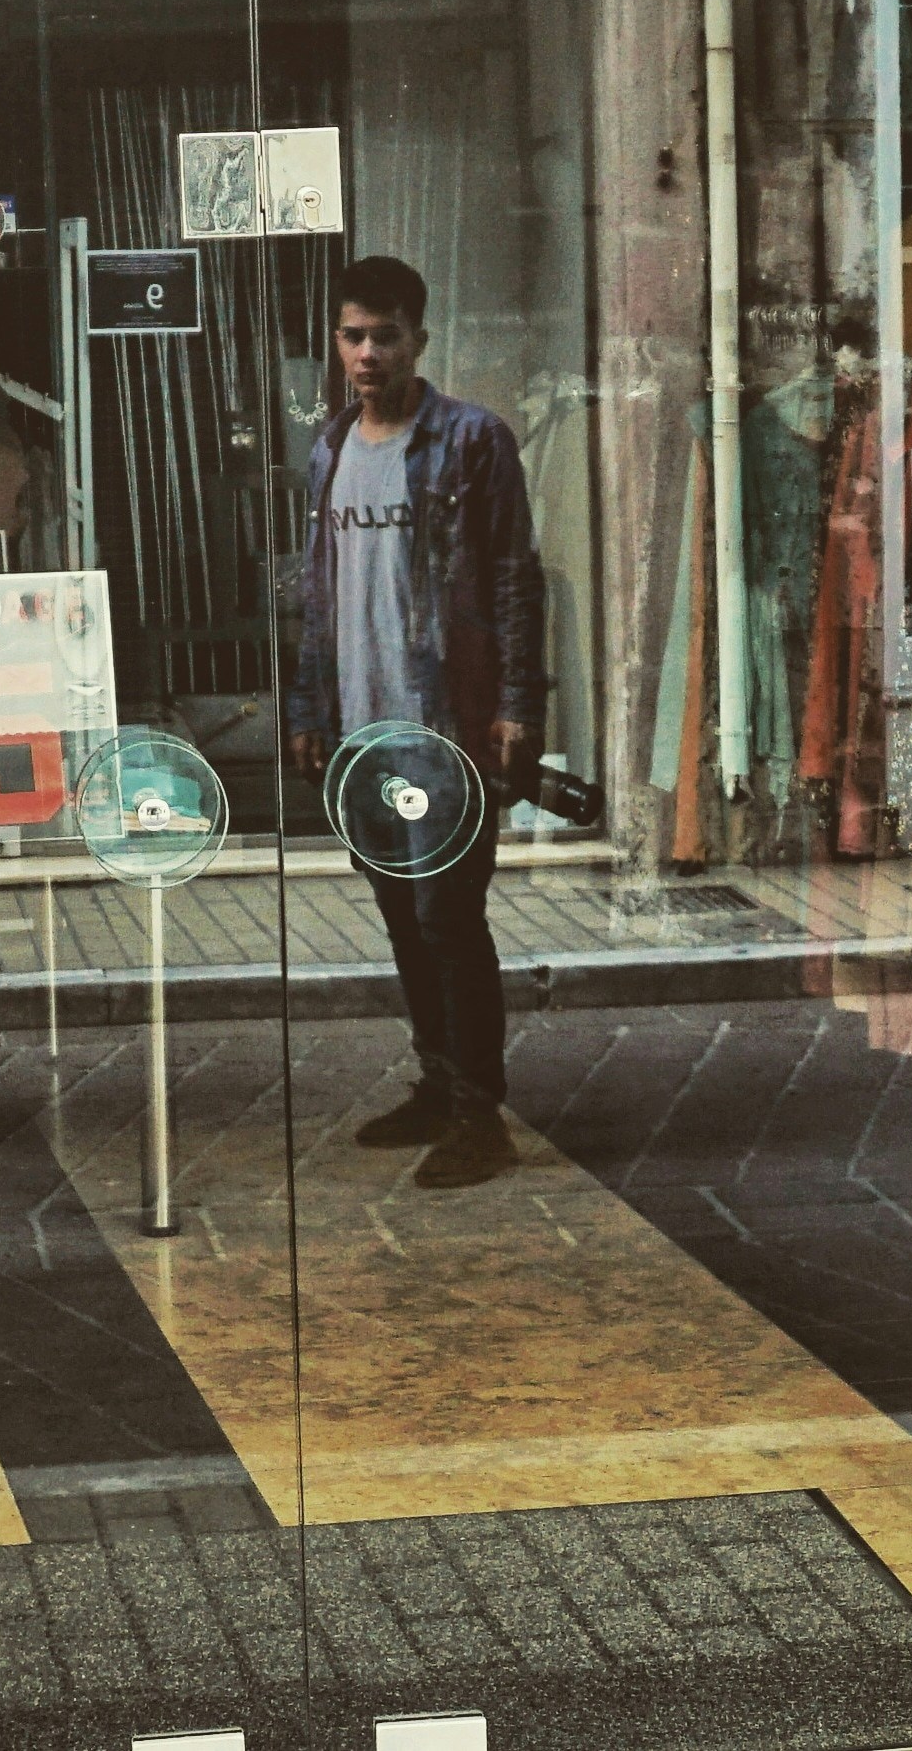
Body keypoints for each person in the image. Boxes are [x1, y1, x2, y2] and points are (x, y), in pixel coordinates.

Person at [286, 254, 544, 1190]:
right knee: (402, 917)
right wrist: (312, 704)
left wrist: (518, 710)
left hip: (447, 726)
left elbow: (516, 578)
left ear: (417, 340)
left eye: (383, 335)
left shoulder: (471, 441)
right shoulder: (328, 450)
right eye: (351, 335)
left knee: (447, 919)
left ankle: (481, 1116)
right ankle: (438, 1086)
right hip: (365, 731)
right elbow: (317, 590)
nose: (365, 353)